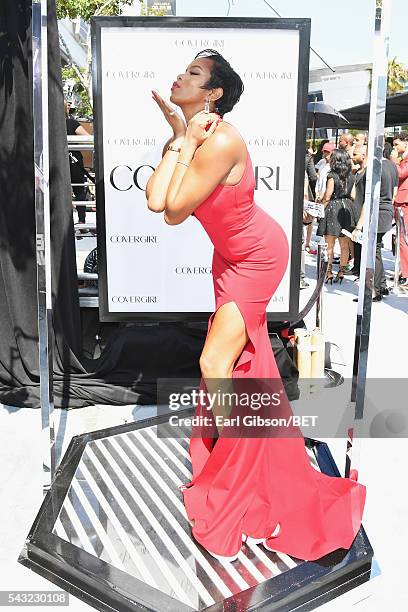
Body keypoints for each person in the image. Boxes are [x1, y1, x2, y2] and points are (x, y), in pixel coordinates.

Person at [145, 49, 366, 562]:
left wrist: (186, 140)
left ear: (214, 93)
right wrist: (179, 139)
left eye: (194, 73)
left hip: (257, 257)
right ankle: (249, 452)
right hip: (229, 257)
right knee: (242, 366)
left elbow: (175, 212)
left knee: (214, 362)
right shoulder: (194, 139)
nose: (181, 74)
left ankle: (234, 463)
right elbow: (156, 200)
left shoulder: (221, 139)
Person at [352, 145, 399, 301]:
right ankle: (382, 285)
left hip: (376, 211)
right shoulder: (392, 165)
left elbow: (369, 199)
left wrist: (358, 226)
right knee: (376, 250)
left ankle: (375, 290)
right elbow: (395, 192)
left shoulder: (375, 167)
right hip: (387, 210)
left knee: (373, 252)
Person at [317, 148, 356, 283]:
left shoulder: (332, 176)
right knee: (344, 244)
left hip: (333, 209)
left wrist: (320, 208)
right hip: (347, 209)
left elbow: (327, 196)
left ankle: (328, 272)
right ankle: (341, 271)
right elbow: (353, 195)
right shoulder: (351, 176)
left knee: (330, 244)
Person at [65, 101, 89, 224]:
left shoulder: (49, 124)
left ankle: (64, 223)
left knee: (61, 191)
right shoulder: (72, 123)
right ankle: (82, 221)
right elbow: (88, 137)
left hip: (59, 162)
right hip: (74, 160)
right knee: (79, 190)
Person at [391, 132, 408, 286]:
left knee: (403, 238)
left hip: (404, 202)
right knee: (400, 238)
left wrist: (394, 161)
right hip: (400, 201)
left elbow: (401, 174)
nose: (394, 148)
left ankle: (405, 273)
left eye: (396, 144)